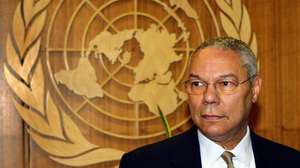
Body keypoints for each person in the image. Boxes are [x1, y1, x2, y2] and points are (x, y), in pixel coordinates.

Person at [119, 37, 300, 168]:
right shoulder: (144, 164)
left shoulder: (290, 162)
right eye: (197, 84)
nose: (209, 97)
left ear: (254, 89)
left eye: (225, 83)